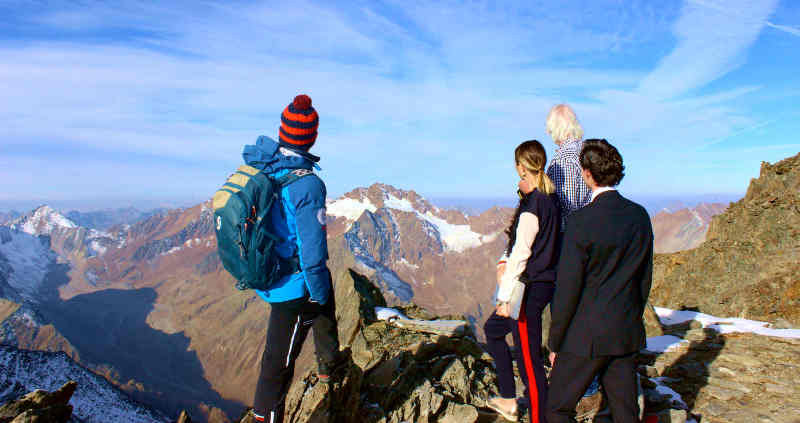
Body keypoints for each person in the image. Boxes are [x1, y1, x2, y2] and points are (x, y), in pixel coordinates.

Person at [243, 94, 342, 423]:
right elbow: (313, 252)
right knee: (277, 364)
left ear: (283, 132)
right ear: (311, 137)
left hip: (270, 271)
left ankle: (329, 369)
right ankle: (266, 415)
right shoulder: (308, 185)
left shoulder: (264, 167)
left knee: (323, 294)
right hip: (292, 288)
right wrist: (316, 292)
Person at [546, 139, 654, 423]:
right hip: (625, 331)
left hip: (586, 337)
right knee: (625, 413)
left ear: (587, 174)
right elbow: (644, 280)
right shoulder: (640, 216)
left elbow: (568, 288)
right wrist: (631, 317)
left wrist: (556, 341)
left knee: (557, 408)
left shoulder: (582, 221)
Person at [485, 140, 561, 423]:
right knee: (493, 330)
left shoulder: (534, 206)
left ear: (520, 166)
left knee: (529, 364)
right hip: (541, 284)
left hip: (527, 290)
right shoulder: (550, 199)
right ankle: (508, 399)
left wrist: (505, 299)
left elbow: (520, 255)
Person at [544, 104, 592, 229]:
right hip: (590, 227)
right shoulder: (588, 150)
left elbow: (567, 204)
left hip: (570, 233)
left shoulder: (565, 158)